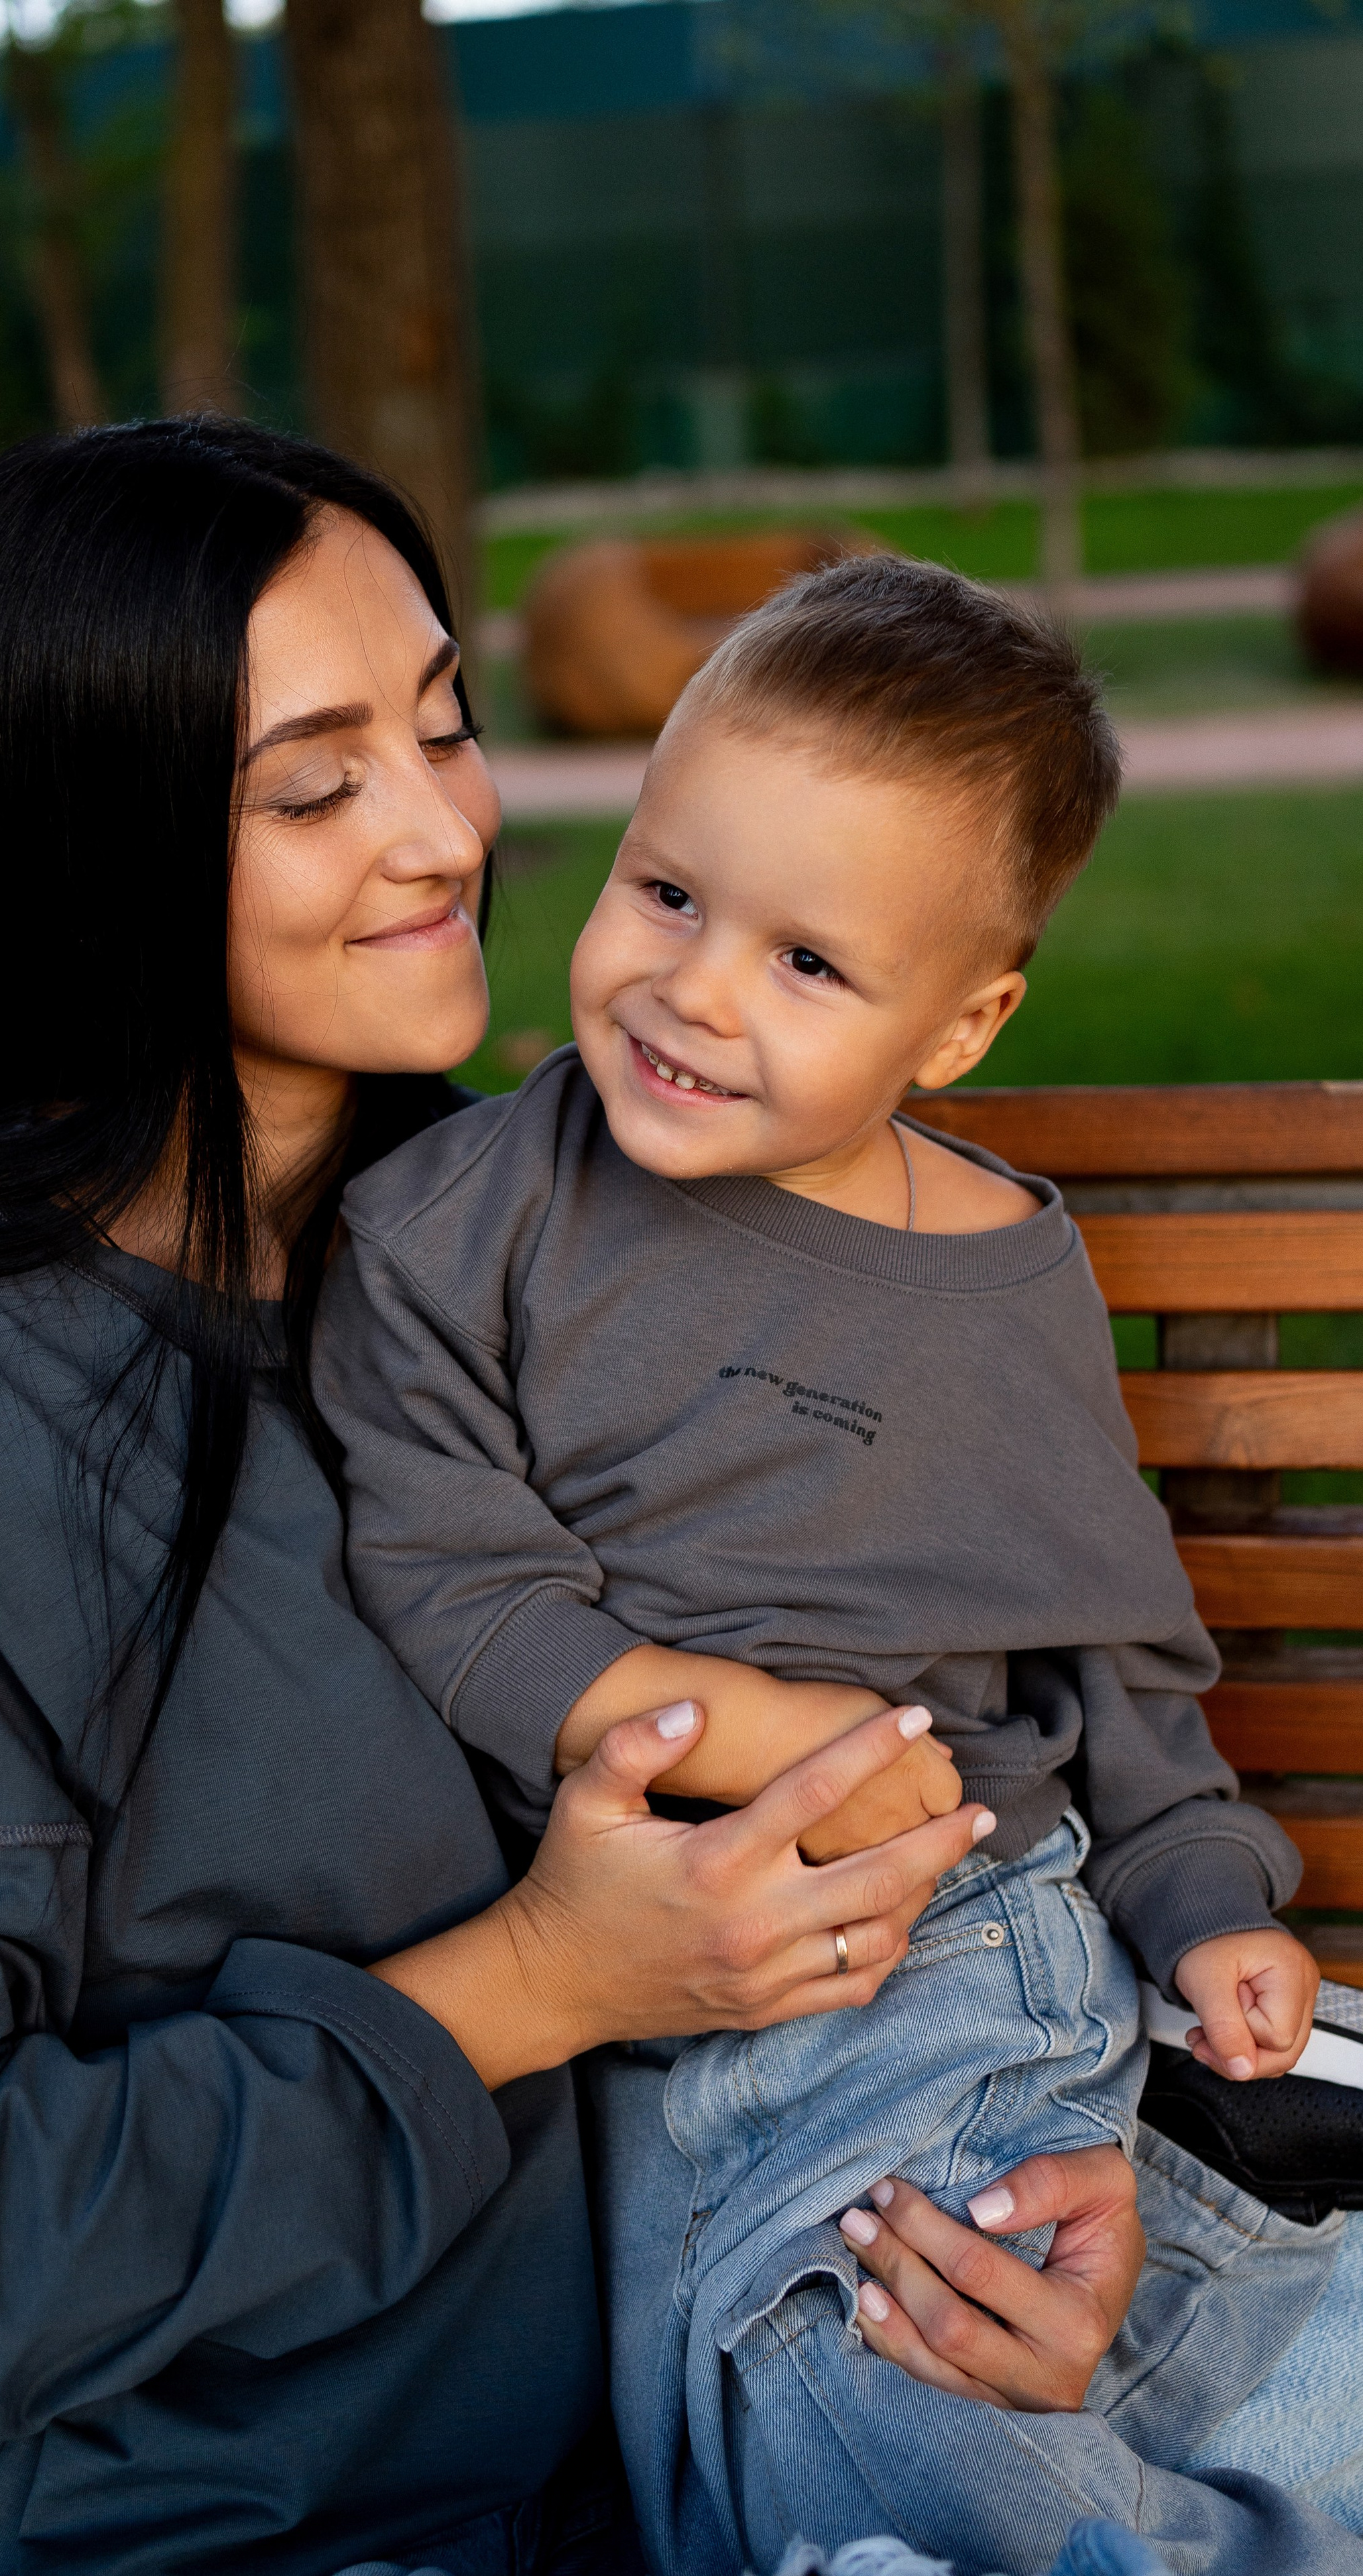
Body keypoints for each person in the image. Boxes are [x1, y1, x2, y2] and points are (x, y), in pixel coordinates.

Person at [0, 418, 1016, 2576]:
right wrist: (530, 1981)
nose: (445, 828)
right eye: (314, 784)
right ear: (88, 842)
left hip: (633, 2495)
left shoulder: (545, 1264)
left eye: (447, 725)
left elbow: (861, 1830)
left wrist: (1018, 2195)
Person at [314, 557, 1363, 2573]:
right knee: (725, 2449)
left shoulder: (995, 1275)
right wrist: (769, 1735)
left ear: (961, 1022)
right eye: (669, 892)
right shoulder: (456, 1226)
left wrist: (1199, 1888)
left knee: (882, 2385)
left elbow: (1112, 1660)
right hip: (639, 1982)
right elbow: (458, 1580)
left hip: (949, 1944)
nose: (694, 988)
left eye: (810, 964)